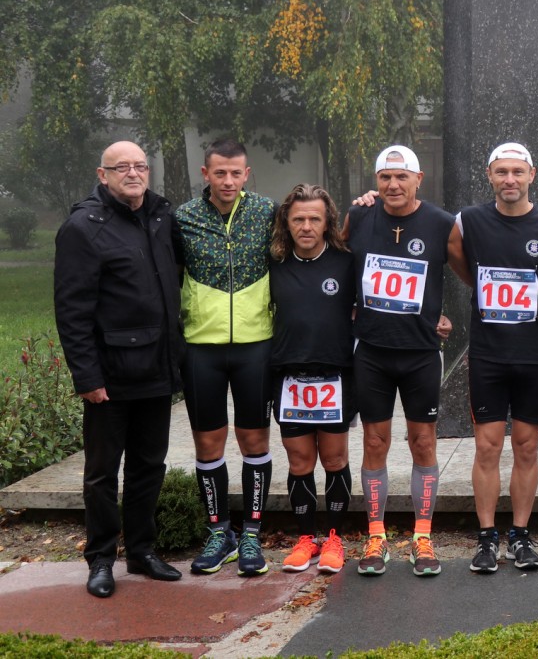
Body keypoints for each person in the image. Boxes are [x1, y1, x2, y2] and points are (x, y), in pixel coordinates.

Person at [55, 141, 185, 598]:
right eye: (121, 167)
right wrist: (87, 377)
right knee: (102, 473)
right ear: (103, 174)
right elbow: (72, 311)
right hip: (110, 376)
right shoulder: (83, 227)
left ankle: (142, 552)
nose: (133, 173)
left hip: (155, 370)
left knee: (149, 466)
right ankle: (101, 559)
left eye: (140, 166)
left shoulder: (160, 216)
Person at [347, 144, 466, 577]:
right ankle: (375, 536)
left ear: (419, 179)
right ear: (376, 182)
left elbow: (467, 274)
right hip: (372, 352)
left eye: (402, 177)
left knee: (423, 442)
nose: (393, 185)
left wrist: (447, 315)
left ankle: (423, 536)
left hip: (420, 354)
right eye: (385, 177)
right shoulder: (359, 216)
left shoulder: (440, 223)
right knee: (374, 442)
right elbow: (337, 267)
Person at [457, 142, 538, 574]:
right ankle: (486, 537)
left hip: (534, 354)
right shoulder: (470, 220)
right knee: (487, 446)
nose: (510, 179)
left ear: (531, 175)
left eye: (517, 172)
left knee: (527, 445)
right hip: (488, 354)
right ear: (489, 175)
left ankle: (520, 534)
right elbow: (455, 255)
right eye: (501, 172)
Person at [175, 139, 277, 576]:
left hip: (256, 344)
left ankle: (251, 534)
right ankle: (220, 533)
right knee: (208, 443)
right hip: (202, 346)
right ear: (206, 174)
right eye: (220, 173)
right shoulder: (183, 218)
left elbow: (317, 225)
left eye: (236, 173)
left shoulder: (267, 212)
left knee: (254, 441)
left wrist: (366, 201)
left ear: (247, 174)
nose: (229, 181)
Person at [267, 185, 357, 574]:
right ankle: (306, 538)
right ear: (286, 223)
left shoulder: (346, 262)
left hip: (335, 375)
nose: (306, 226)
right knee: (300, 460)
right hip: (289, 376)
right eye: (298, 219)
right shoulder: (273, 263)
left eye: (314, 219)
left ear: (327, 222)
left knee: (334, 458)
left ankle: (334, 538)